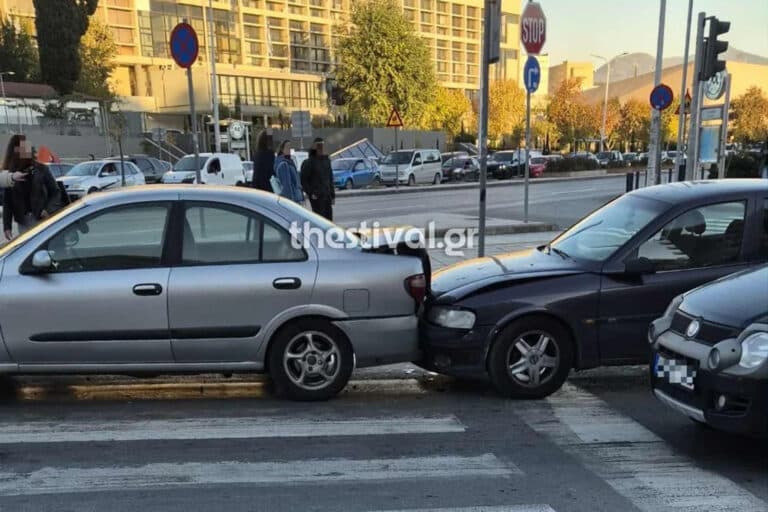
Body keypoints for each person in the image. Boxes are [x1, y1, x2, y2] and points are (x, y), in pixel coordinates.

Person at [3, 135, 63, 241]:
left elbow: (56, 192)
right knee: (28, 247)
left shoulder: (41, 169)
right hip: (23, 221)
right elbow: (7, 201)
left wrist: (48, 210)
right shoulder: (10, 174)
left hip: (42, 218)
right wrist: (7, 226)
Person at [300, 137, 335, 220]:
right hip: (317, 197)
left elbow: (330, 178)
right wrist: (311, 193)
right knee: (319, 219)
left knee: (328, 220)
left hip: (327, 196)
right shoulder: (308, 162)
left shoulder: (326, 161)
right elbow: (303, 180)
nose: (321, 149)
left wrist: (332, 195)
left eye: (322, 146)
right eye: (318, 146)